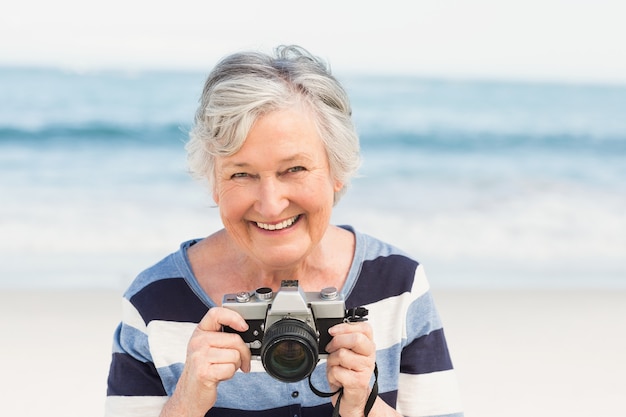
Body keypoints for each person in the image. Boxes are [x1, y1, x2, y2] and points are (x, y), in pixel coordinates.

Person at [105, 45, 463, 417]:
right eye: (241, 174)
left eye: (294, 169)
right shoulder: (153, 304)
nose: (271, 204)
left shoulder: (397, 285)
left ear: (337, 171)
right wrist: (188, 401)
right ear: (214, 182)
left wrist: (364, 407)